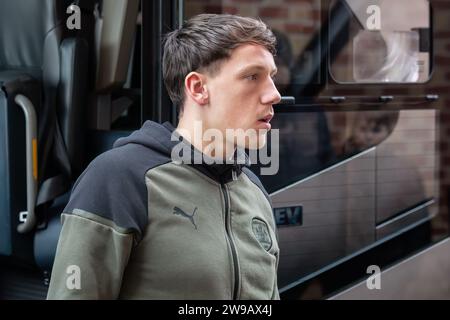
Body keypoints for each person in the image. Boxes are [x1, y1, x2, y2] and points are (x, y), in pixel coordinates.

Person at [47, 13, 282, 299]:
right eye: (252, 76)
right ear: (198, 88)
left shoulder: (255, 192)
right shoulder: (119, 179)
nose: (274, 94)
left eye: (271, 78)